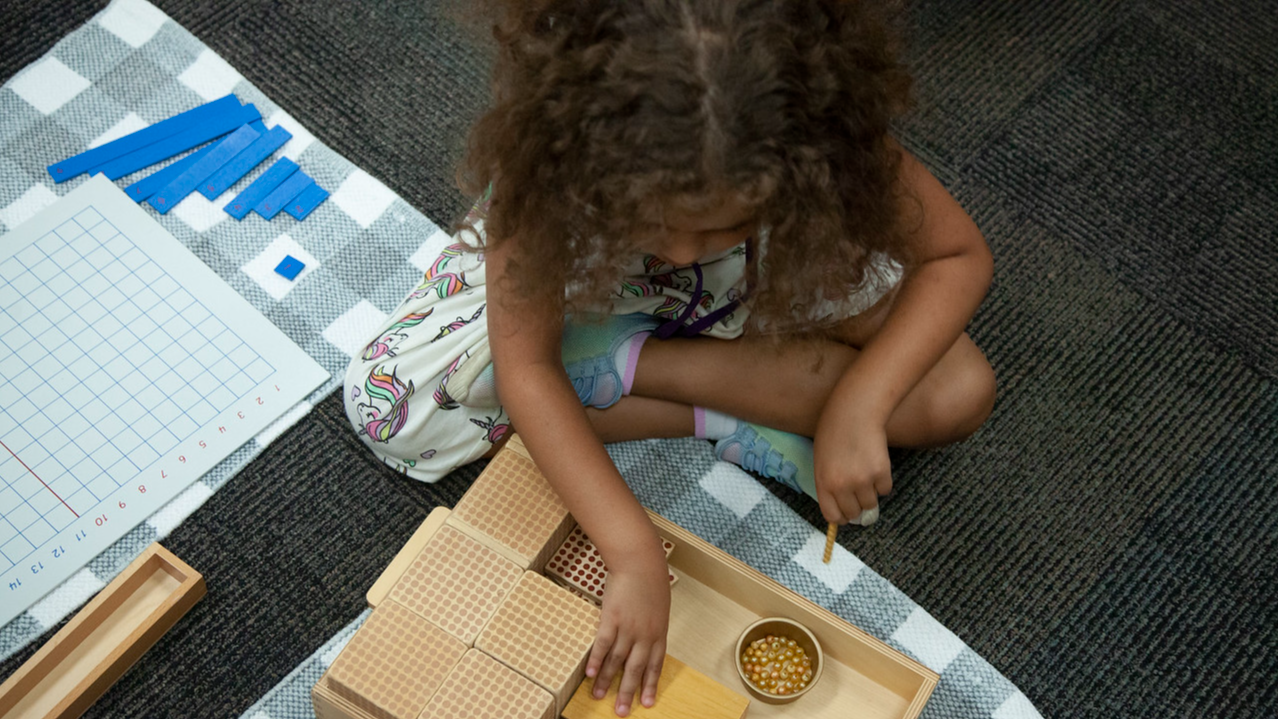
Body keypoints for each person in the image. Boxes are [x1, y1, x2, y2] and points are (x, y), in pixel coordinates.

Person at [344, 0, 995, 714]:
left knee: (957, 392)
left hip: (770, 275)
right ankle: (666, 380)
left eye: (722, 222)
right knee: (396, 411)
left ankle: (643, 369)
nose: (683, 250)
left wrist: (859, 404)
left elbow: (957, 255)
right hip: (599, 285)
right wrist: (631, 549)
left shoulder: (821, 146)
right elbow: (526, 365)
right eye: (656, 221)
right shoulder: (555, 176)